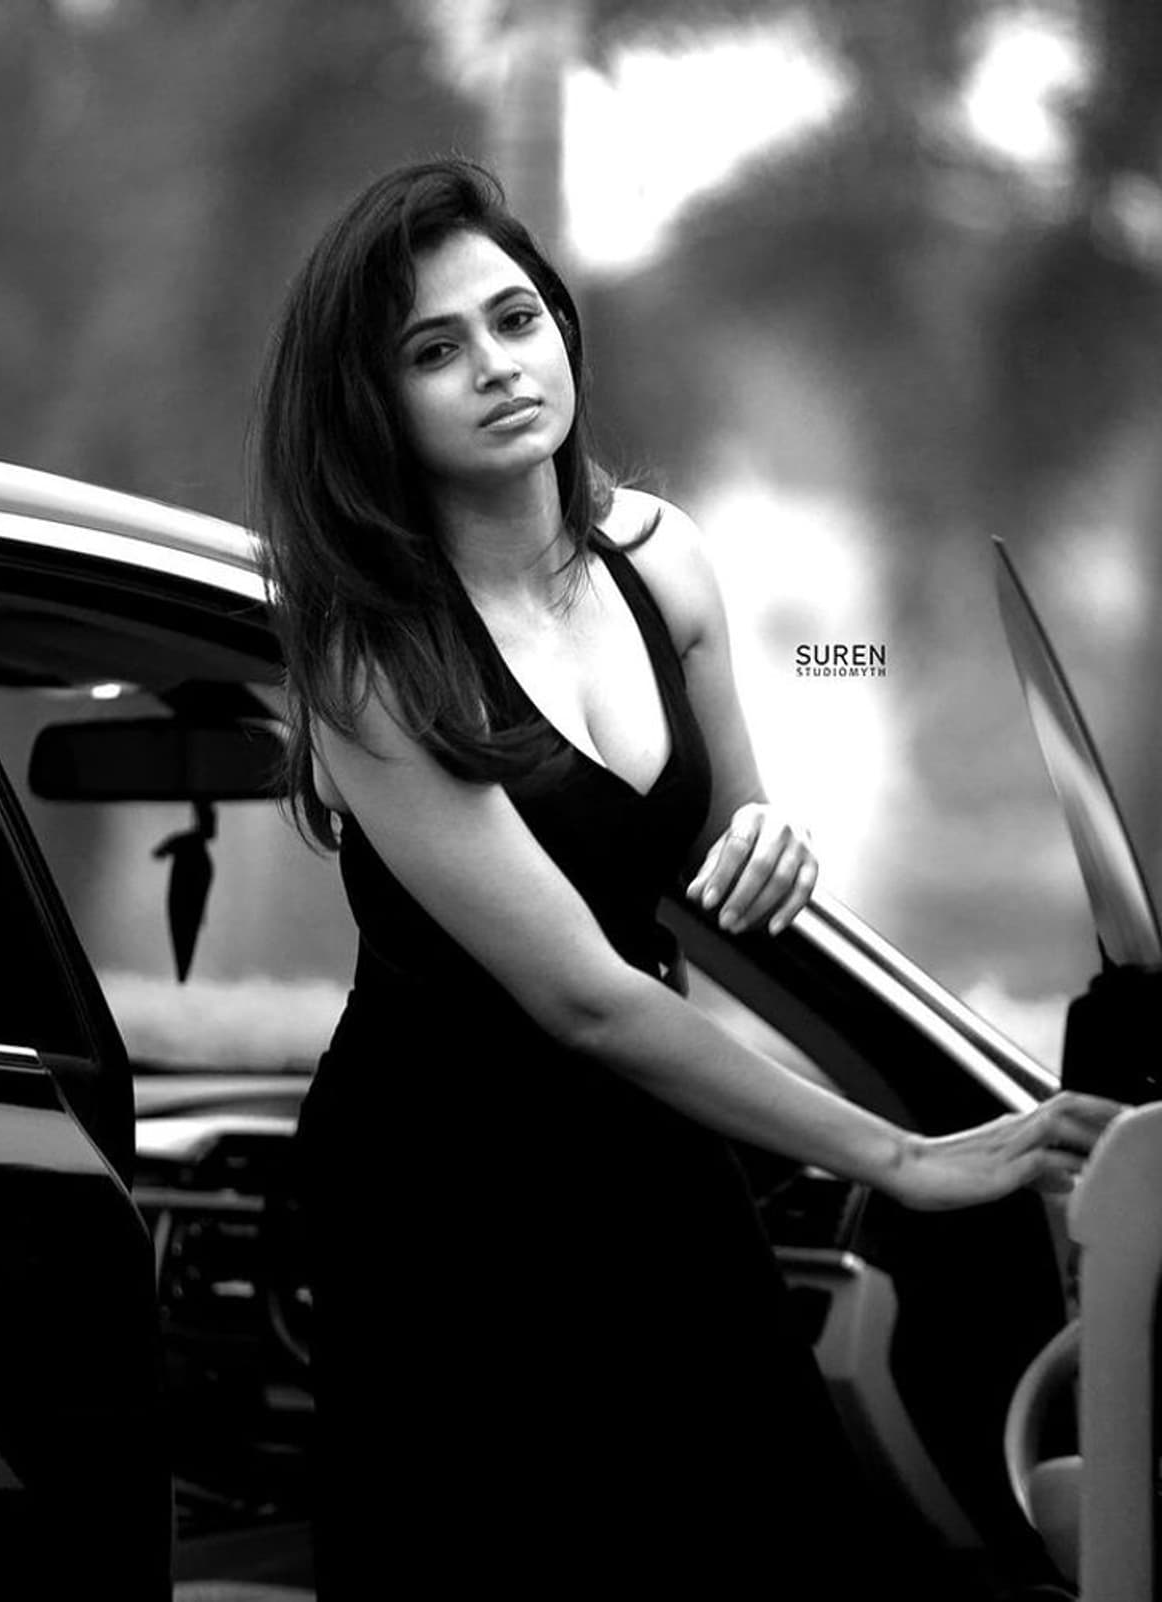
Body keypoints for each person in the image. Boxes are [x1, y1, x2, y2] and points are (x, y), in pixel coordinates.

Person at [253, 158, 1118, 1600]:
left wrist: (778, 838)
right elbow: (583, 998)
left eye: (514, 319)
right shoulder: (374, 663)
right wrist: (901, 1155)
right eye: (433, 350)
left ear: (561, 327)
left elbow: (727, 854)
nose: (496, 367)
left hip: (643, 1137)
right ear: (373, 406)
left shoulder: (666, 564)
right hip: (444, 1190)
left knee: (765, 1527)